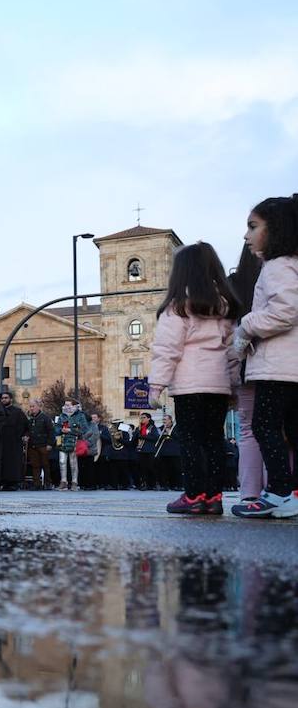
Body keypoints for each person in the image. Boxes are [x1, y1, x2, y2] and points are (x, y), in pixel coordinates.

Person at [148, 241, 241, 515]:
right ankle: (213, 497)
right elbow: (233, 351)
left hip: (189, 387)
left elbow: (167, 350)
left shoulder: (177, 308)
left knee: (190, 440)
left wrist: (156, 386)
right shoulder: (224, 308)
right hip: (218, 386)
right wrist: (234, 385)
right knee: (213, 440)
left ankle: (193, 495)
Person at [232, 194, 298, 518]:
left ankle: (279, 493)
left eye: (252, 226)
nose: (246, 235)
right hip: (289, 367)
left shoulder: (276, 266)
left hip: (278, 368)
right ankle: (290, 493)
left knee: (265, 426)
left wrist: (246, 326)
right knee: (290, 430)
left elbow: (285, 311)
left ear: (275, 230)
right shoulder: (290, 264)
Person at [229, 244, 267, 507]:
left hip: (245, 363)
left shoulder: (235, 284)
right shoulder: (278, 270)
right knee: (280, 430)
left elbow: (227, 332)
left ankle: (249, 494)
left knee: (248, 431)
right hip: (277, 363)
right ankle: (281, 491)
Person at [51, 399, 90, 491]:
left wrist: (71, 430)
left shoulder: (80, 416)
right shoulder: (61, 416)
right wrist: (60, 430)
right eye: (65, 405)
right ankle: (63, 481)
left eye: (68, 405)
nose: (66, 407)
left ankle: (74, 482)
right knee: (62, 461)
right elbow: (56, 428)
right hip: (63, 441)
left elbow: (85, 429)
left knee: (73, 463)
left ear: (74, 406)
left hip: (75, 441)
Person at [0, 391, 28, 490]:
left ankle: (13, 483)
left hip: (14, 441)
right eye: (2, 398)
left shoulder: (17, 412)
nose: (4, 400)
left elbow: (26, 425)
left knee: (13, 463)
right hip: (0, 441)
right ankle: (1, 482)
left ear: (11, 399)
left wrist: (25, 435)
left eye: (6, 398)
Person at [25, 400, 54, 489]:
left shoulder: (45, 418)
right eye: (30, 406)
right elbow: (27, 430)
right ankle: (36, 484)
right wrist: (26, 436)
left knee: (46, 465)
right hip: (32, 445)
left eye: (33, 406)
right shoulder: (30, 419)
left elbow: (51, 431)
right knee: (35, 465)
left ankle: (47, 483)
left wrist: (50, 444)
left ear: (39, 406)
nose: (31, 408)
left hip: (43, 445)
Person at [135, 413, 161, 490]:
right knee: (142, 468)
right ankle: (144, 484)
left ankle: (153, 484)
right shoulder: (139, 428)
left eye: (144, 417)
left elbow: (155, 437)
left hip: (149, 450)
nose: (142, 419)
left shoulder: (152, 427)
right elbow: (134, 439)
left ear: (148, 418)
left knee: (151, 467)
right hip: (140, 450)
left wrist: (143, 436)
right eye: (141, 417)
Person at [156, 416, 182, 490]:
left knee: (176, 469)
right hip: (164, 452)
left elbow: (179, 437)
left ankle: (178, 485)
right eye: (163, 419)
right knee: (164, 470)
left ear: (170, 420)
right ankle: (165, 485)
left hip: (175, 452)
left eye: (165, 419)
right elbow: (157, 439)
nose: (164, 421)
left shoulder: (176, 427)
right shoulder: (160, 428)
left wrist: (169, 432)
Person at [81, 412, 106, 490]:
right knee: (83, 468)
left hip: (90, 449)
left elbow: (95, 435)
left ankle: (91, 485)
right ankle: (84, 484)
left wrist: (86, 442)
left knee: (90, 468)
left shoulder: (93, 425)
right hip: (82, 449)